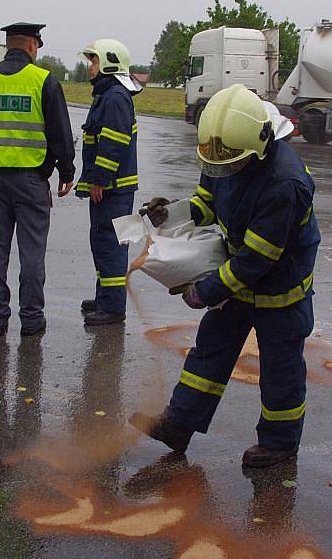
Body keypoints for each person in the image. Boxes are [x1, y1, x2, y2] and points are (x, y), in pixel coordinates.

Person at [132, 84, 321, 468]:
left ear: (261, 142)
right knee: (209, 353)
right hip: (237, 283)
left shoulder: (285, 184)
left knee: (280, 372)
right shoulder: (225, 152)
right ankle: (178, 424)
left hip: (280, 293)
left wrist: (204, 291)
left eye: (231, 163)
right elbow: (210, 199)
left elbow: (255, 260)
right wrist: (173, 213)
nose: (223, 169)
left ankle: (279, 444)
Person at [0, 22, 75, 336]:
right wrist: (66, 171)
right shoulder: (43, 80)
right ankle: (32, 319)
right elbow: (60, 132)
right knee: (32, 253)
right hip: (32, 180)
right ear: (32, 46)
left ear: (8, 44)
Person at [75, 39, 141, 326]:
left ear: (109, 62)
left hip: (114, 190)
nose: (90, 67)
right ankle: (105, 298)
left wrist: (99, 180)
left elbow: (113, 143)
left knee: (112, 244)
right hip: (113, 190)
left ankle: (113, 308)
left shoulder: (115, 97)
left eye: (94, 61)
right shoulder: (109, 95)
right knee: (103, 243)